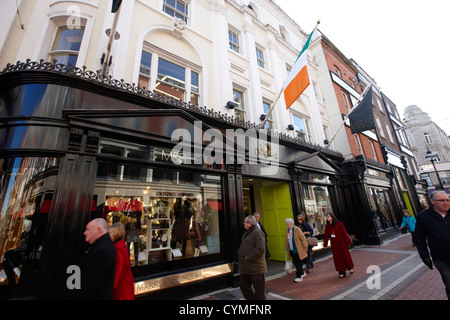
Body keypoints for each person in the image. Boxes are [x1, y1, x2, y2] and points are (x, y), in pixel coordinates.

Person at [413, 190, 450, 299]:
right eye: (442, 200)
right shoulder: (423, 216)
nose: (446, 203)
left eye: (447, 200)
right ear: (432, 201)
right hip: (441, 257)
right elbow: (419, 237)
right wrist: (424, 255)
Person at [81, 218, 116, 299]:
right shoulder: (106, 245)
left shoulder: (101, 250)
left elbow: (89, 281)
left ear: (99, 230)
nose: (85, 232)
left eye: (88, 229)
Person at [237, 215, 267, 300]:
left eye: (245, 222)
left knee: (259, 292)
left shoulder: (257, 232)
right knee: (244, 287)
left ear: (249, 223)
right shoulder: (247, 232)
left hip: (256, 268)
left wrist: (248, 257)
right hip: (246, 268)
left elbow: (260, 248)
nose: (243, 223)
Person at [108, 223, 135, 300]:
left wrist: (109, 288)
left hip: (121, 290)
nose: (108, 235)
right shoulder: (119, 247)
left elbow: (117, 271)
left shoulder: (118, 249)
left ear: (116, 234)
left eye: (110, 233)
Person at [323, 213, 354, 278]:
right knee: (337, 258)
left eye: (328, 216)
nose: (327, 217)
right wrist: (325, 244)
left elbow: (344, 233)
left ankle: (350, 268)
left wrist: (348, 242)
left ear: (332, 217)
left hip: (342, 243)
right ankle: (341, 271)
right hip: (334, 245)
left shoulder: (339, 224)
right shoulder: (327, 226)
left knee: (345, 255)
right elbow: (326, 236)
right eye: (327, 216)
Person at [285, 218, 308, 282]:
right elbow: (287, 240)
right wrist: (286, 247)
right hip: (291, 249)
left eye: (288, 224)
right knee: (296, 262)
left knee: (298, 263)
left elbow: (303, 238)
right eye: (286, 224)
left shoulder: (297, 229)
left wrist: (305, 246)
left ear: (292, 223)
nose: (287, 225)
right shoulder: (287, 230)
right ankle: (302, 273)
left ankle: (299, 276)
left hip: (297, 249)